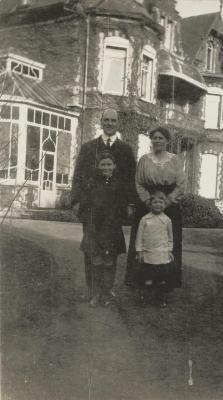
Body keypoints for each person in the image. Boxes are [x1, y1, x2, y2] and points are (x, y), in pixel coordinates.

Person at [71, 108, 136, 304]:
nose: (109, 123)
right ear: (101, 122)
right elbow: (78, 177)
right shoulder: (89, 147)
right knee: (92, 249)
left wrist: (130, 204)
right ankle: (92, 290)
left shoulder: (125, 150)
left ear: (117, 123)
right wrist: (75, 201)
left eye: (113, 120)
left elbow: (130, 179)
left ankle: (106, 290)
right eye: (106, 120)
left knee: (111, 250)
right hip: (91, 210)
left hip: (114, 211)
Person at [125, 126, 185, 293]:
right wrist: (148, 201)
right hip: (147, 205)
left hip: (169, 205)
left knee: (167, 242)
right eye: (155, 138)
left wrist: (167, 201)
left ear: (167, 141)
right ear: (151, 140)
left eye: (161, 138)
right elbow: (138, 182)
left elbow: (180, 184)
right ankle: (142, 285)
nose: (158, 141)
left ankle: (165, 286)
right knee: (144, 241)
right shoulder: (144, 160)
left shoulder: (175, 160)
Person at [76, 151, 127, 307]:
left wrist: (117, 220)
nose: (106, 167)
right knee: (95, 262)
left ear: (114, 166)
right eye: (103, 164)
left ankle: (106, 292)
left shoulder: (119, 185)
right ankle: (95, 293)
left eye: (109, 164)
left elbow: (123, 208)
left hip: (112, 230)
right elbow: (84, 206)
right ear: (98, 166)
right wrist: (88, 221)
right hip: (95, 229)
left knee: (109, 262)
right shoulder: (91, 184)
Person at [135, 191, 174, 307]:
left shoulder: (167, 220)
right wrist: (139, 251)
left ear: (164, 204)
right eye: (155, 202)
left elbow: (170, 238)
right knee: (148, 278)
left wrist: (169, 250)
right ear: (150, 204)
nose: (158, 204)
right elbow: (139, 237)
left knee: (161, 279)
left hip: (162, 254)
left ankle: (160, 299)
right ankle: (146, 299)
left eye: (160, 202)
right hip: (148, 254)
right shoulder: (145, 219)